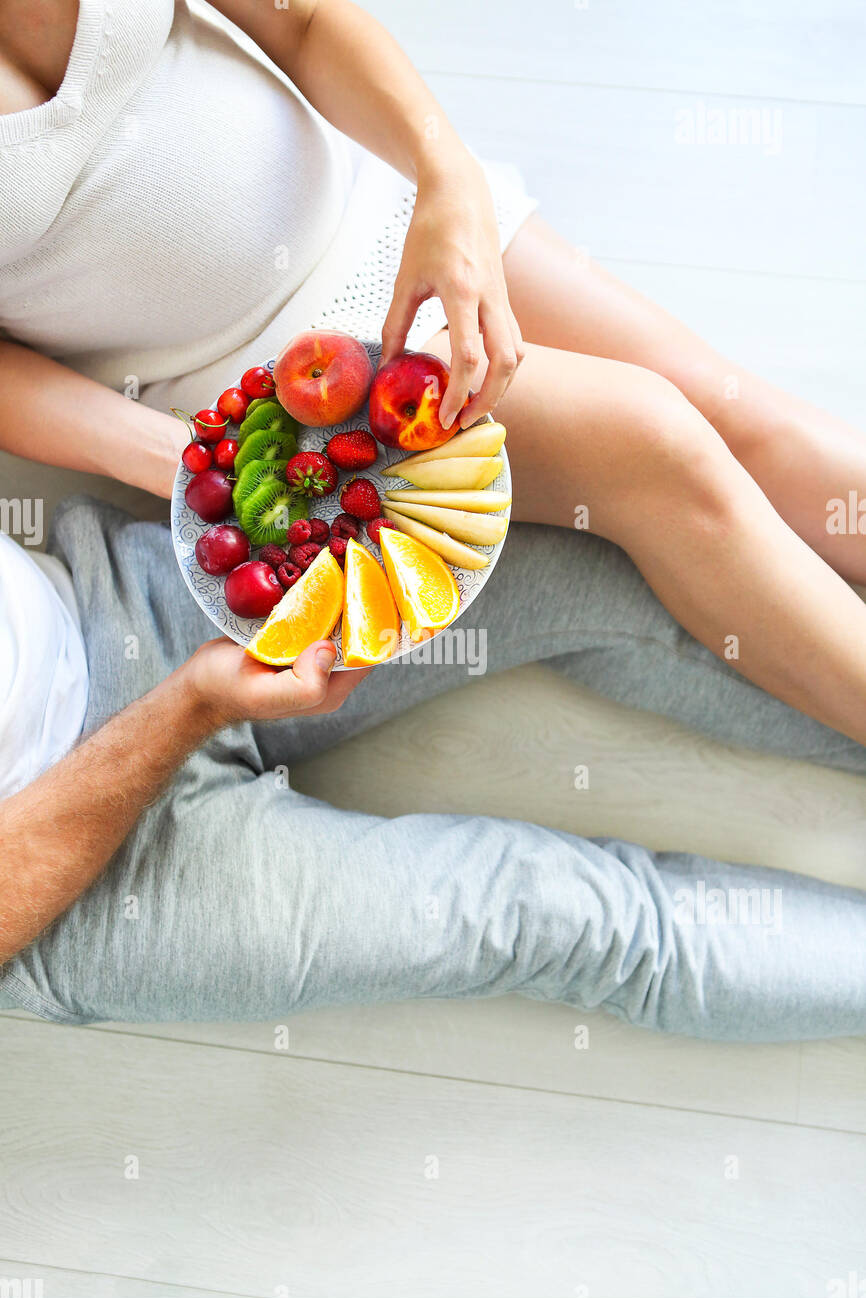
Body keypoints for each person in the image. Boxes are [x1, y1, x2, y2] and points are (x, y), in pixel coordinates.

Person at [2, 0, 866, 1039]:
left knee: (738, 419)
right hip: (278, 397)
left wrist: (444, 175)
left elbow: (305, 22)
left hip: (378, 214)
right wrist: (184, 459)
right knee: (662, 452)